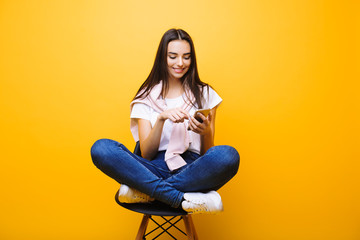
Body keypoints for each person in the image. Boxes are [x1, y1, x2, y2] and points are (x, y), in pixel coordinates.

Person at [91, 28, 240, 214]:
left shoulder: (206, 94)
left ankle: (148, 192)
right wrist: (161, 119)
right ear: (163, 57)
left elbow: (207, 154)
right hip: (152, 168)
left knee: (228, 155)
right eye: (173, 56)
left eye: (186, 57)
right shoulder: (145, 96)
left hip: (193, 169)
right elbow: (146, 154)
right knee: (101, 148)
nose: (180, 63)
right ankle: (179, 198)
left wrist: (206, 132)